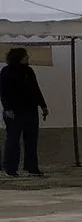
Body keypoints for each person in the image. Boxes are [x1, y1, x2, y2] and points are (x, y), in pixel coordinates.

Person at [0, 48, 48, 177]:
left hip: (30, 110)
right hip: (14, 112)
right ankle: (10, 168)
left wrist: (43, 105)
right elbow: (3, 92)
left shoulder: (28, 71)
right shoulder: (6, 72)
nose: (28, 58)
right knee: (13, 140)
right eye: (25, 56)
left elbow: (35, 89)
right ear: (18, 57)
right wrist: (7, 108)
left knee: (31, 140)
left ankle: (32, 167)